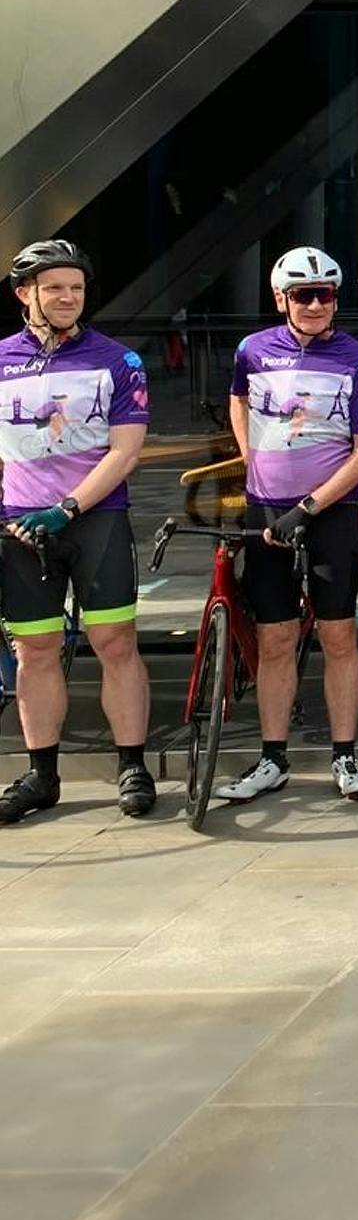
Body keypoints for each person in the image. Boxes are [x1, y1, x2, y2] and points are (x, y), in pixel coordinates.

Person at [215, 248, 358, 804]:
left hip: (329, 512)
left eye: (325, 294)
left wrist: (307, 509)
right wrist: (251, 459)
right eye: (302, 295)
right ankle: (272, 758)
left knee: (339, 635)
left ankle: (345, 754)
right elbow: (237, 400)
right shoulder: (252, 349)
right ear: (280, 299)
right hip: (267, 509)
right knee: (275, 637)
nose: (315, 305)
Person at [0, 241, 155, 822]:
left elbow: (126, 451)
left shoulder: (118, 360)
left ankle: (133, 765)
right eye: (55, 288)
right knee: (34, 650)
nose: (68, 298)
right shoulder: (1, 358)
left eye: (77, 288)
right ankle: (41, 776)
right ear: (25, 294)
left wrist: (65, 509)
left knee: (115, 644)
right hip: (18, 526)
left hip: (97, 522)